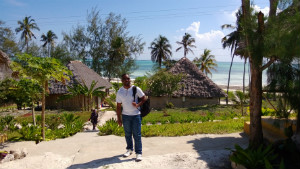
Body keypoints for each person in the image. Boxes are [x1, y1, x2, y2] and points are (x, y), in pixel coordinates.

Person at [116, 74, 147, 162]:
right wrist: (119, 118)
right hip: (125, 116)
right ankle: (129, 149)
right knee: (128, 134)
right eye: (125, 79)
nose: (127, 80)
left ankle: (138, 153)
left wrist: (137, 105)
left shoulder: (136, 89)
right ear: (122, 81)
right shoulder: (120, 91)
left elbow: (144, 98)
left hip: (136, 115)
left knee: (137, 134)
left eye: (128, 78)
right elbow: (118, 106)